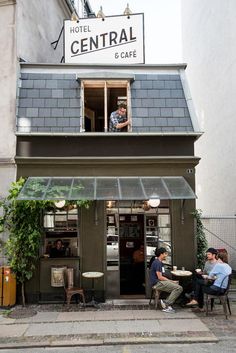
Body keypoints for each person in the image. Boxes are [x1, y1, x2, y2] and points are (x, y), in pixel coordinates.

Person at [150, 247, 183, 313]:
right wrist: (171, 281)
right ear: (161, 254)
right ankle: (166, 304)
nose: (166, 255)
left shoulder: (159, 262)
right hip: (157, 283)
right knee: (179, 288)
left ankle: (167, 303)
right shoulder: (157, 263)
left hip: (160, 282)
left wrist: (172, 281)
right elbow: (160, 277)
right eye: (165, 254)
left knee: (176, 286)